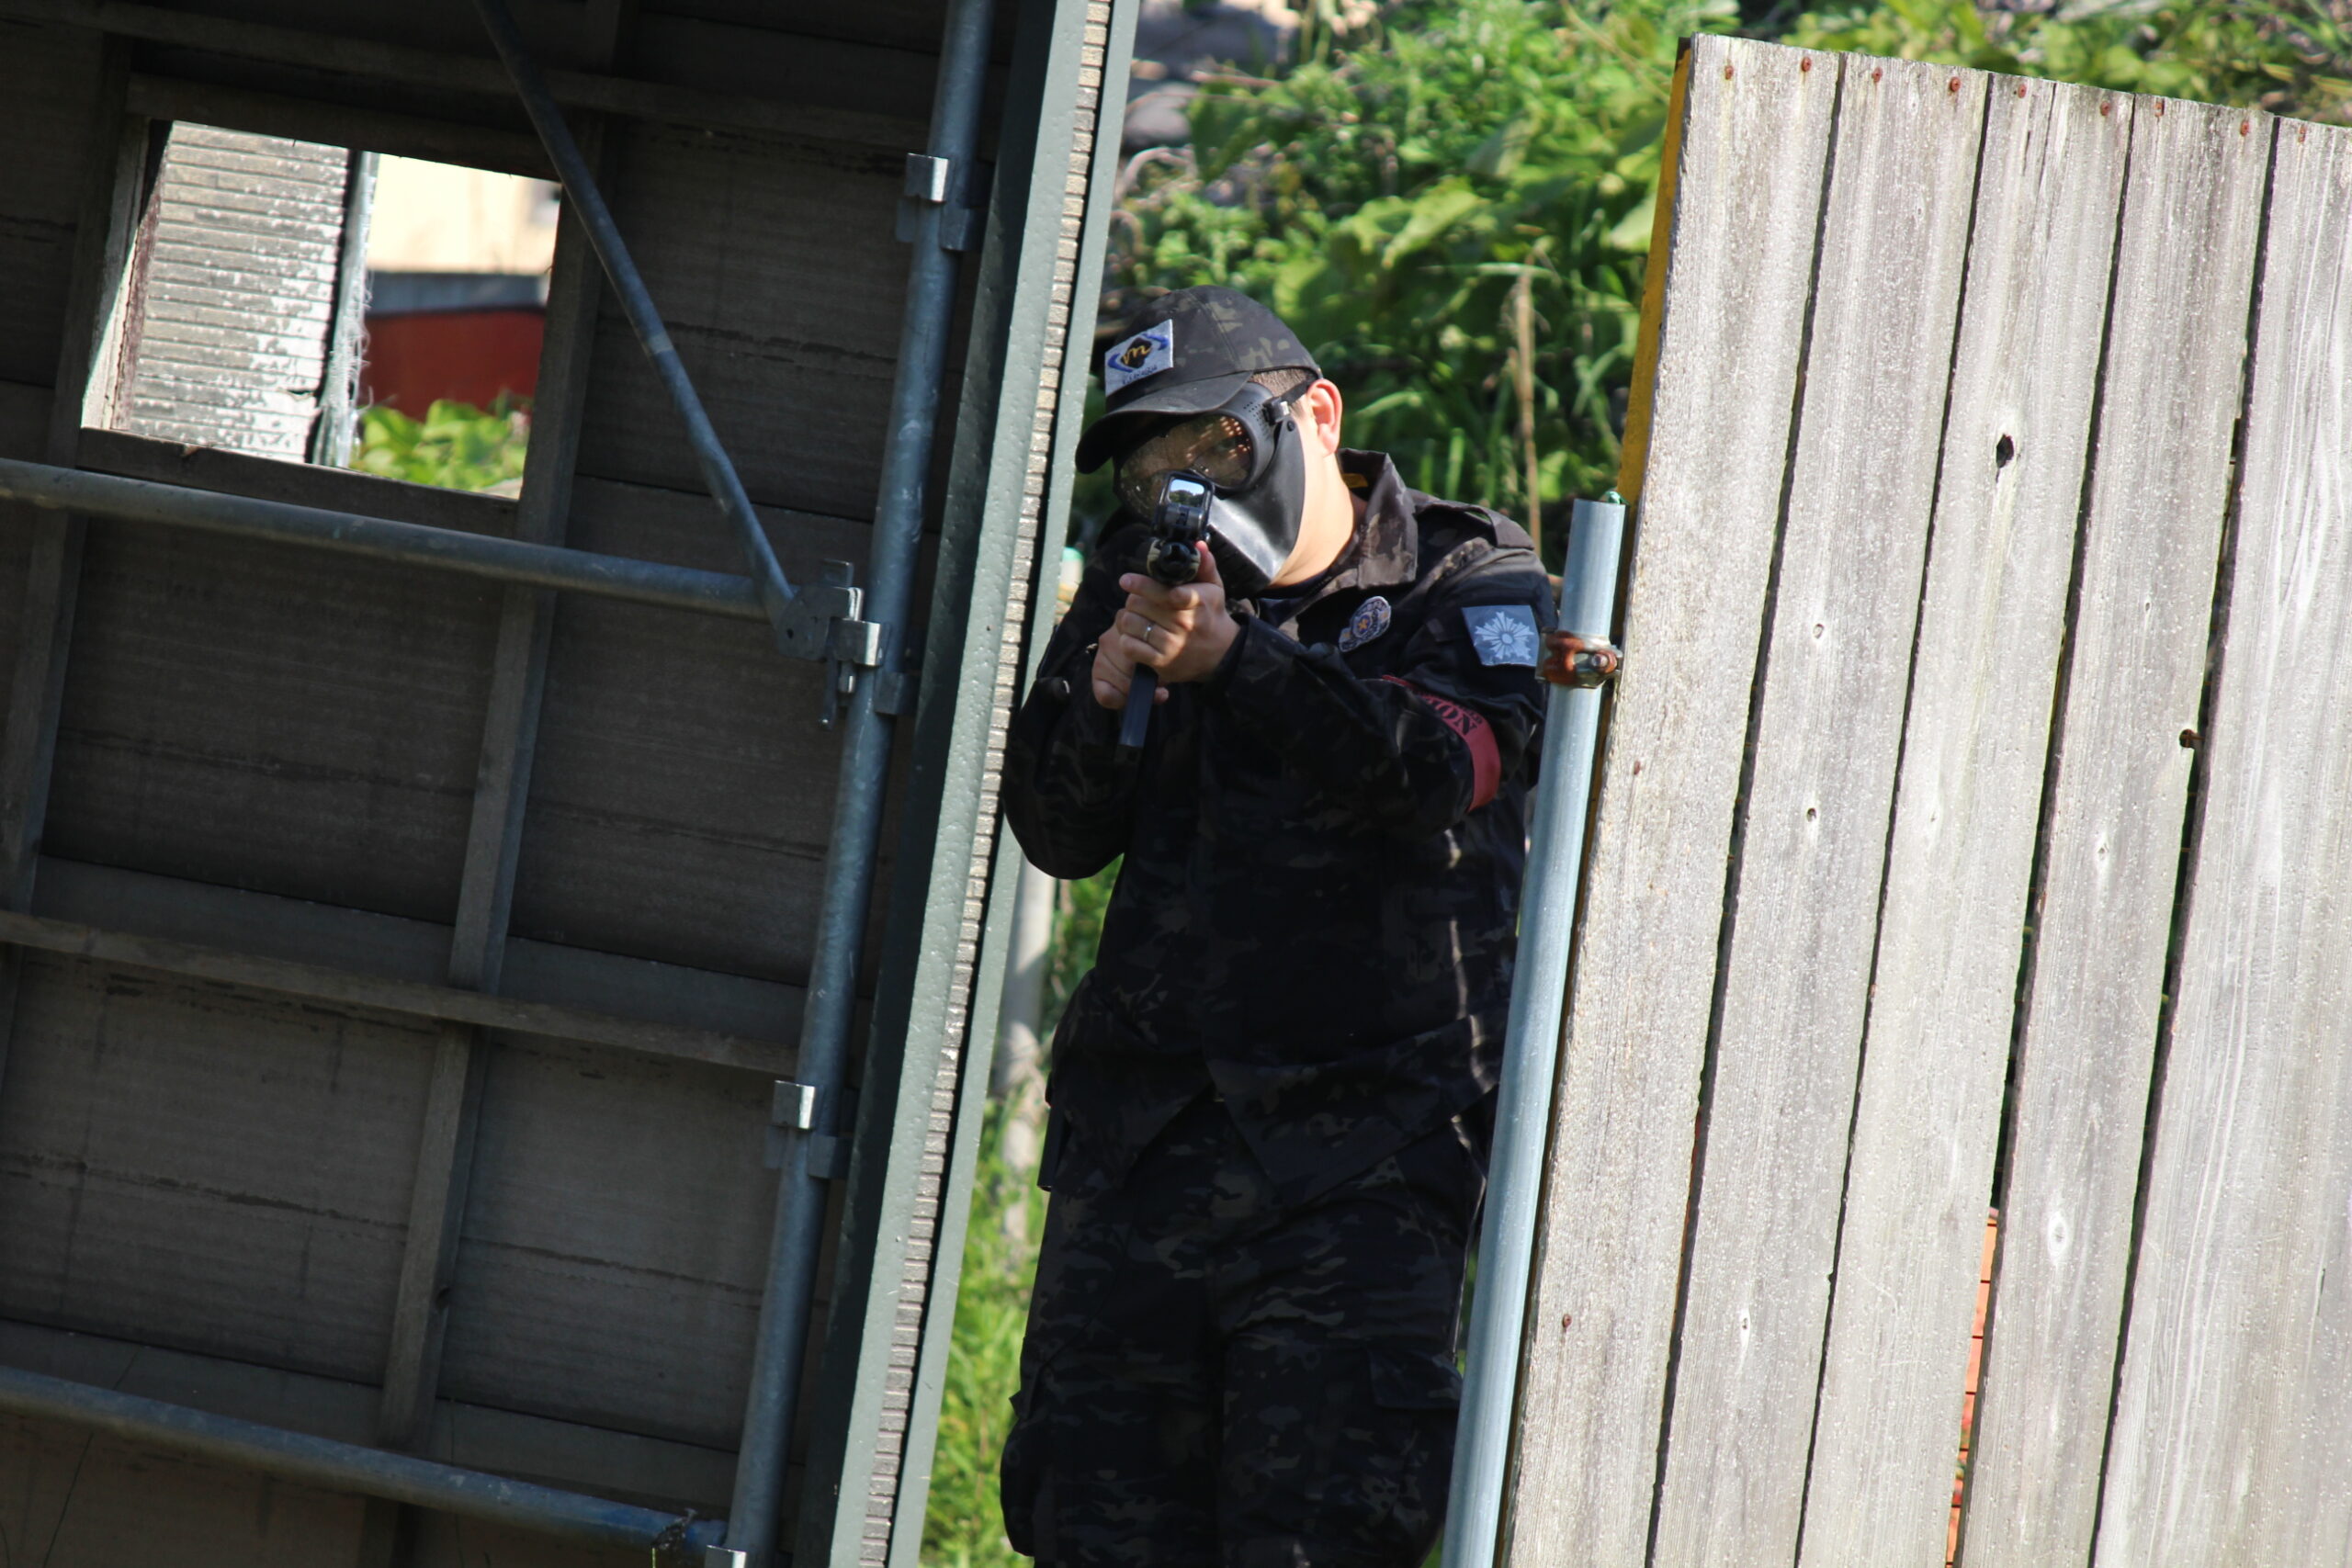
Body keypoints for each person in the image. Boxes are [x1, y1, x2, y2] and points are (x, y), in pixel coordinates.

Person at [999, 285, 1555, 1568]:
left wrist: (1240, 664)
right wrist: (1102, 693)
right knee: (1092, 1531)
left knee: (1320, 1536)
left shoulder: (1464, 575)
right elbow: (1059, 833)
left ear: (1316, 416)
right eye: (1152, 463)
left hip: (1359, 1172)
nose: (1183, 487)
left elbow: (1443, 771)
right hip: (1142, 1152)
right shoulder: (1139, 574)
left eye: (1214, 445)